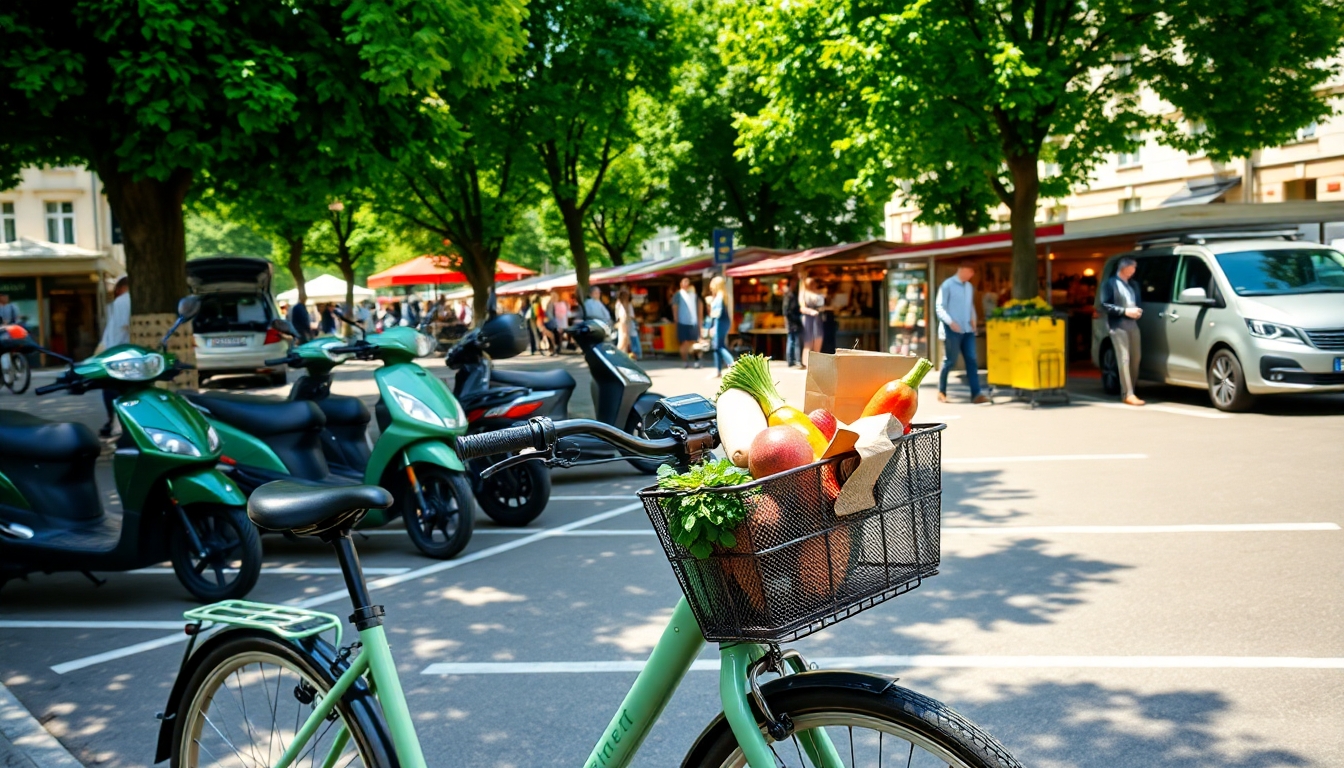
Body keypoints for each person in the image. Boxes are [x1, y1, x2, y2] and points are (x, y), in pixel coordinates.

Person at [935, 262, 989, 404]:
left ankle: (976, 394)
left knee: (972, 360)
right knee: (950, 361)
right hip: (951, 329)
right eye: (970, 271)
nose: (972, 275)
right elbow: (939, 307)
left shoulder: (969, 287)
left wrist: (973, 320)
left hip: (967, 330)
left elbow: (970, 306)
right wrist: (950, 322)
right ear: (962, 269)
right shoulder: (947, 285)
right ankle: (942, 391)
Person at [1100, 257, 1145, 406]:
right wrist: (1125, 311)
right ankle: (1127, 393)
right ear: (1125, 268)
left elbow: (1136, 301)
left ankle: (1132, 387)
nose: (1134, 270)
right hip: (1118, 325)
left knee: (1135, 357)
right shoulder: (1110, 284)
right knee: (1124, 358)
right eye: (1133, 267)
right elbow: (1105, 305)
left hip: (1133, 323)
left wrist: (1136, 311)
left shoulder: (1133, 285)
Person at [99, 277, 131, 437]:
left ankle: (113, 421)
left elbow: (120, 327)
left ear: (119, 289)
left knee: (110, 388)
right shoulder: (128, 301)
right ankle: (115, 421)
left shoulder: (121, 302)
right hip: (127, 352)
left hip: (118, 352)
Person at [706, 275, 734, 377]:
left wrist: (712, 326)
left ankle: (732, 364)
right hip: (724, 322)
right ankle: (718, 370)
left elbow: (716, 314)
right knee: (717, 346)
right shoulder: (723, 296)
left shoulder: (719, 297)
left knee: (718, 345)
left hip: (719, 322)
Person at [672, 277, 701, 368]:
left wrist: (700, 321)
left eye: (687, 282)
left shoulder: (693, 295)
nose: (686, 284)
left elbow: (699, 306)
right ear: (681, 284)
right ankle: (685, 361)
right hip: (682, 322)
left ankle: (696, 360)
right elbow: (675, 307)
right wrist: (676, 320)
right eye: (684, 282)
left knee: (694, 343)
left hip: (693, 322)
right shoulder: (678, 295)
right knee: (684, 342)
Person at [799, 276, 826, 364]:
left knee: (818, 339)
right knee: (808, 341)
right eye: (811, 284)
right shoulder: (803, 293)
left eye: (814, 283)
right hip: (808, 318)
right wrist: (811, 311)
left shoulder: (819, 293)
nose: (813, 285)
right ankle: (806, 363)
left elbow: (822, 305)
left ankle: (816, 363)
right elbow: (802, 308)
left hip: (818, 318)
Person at [782, 278, 803, 368]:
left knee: (793, 340)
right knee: (793, 340)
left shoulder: (792, 294)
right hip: (792, 321)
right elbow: (786, 311)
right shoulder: (789, 295)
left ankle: (792, 360)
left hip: (793, 321)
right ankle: (793, 360)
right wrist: (790, 320)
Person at [614, 289, 635, 355]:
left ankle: (623, 353)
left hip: (626, 322)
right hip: (622, 323)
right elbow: (621, 316)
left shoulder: (627, 304)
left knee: (625, 339)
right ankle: (617, 353)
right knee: (623, 338)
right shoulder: (619, 304)